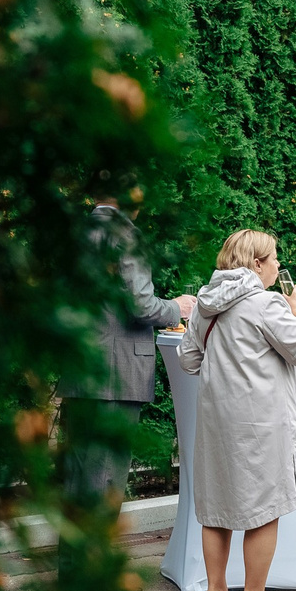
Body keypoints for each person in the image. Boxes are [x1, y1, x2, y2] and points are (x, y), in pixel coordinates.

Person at [178, 230, 296, 591]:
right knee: (263, 507)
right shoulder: (266, 303)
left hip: (217, 421)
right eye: (272, 258)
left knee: (216, 506)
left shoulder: (206, 303)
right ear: (256, 263)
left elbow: (188, 359)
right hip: (261, 421)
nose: (277, 265)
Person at [70, 199, 193, 506]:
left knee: (78, 480)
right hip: (116, 373)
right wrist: (178, 307)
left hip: (81, 368)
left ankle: (72, 557)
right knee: (105, 480)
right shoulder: (123, 233)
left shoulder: (76, 230)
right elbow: (142, 305)